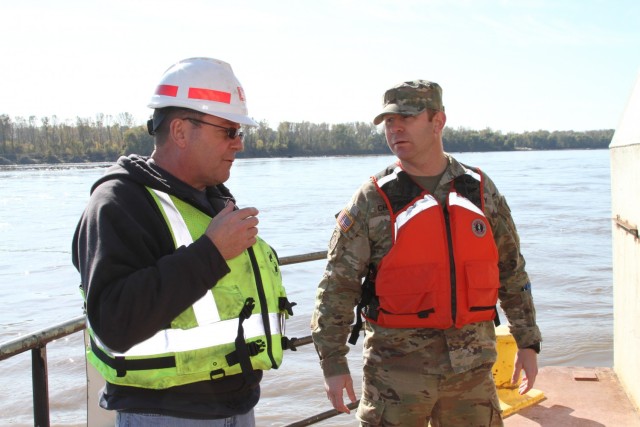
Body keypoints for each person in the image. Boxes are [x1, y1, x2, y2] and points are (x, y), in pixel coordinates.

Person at [72, 57, 294, 426]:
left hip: (235, 408)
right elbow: (114, 321)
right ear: (179, 131)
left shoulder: (207, 199)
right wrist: (211, 253)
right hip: (165, 414)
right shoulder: (118, 204)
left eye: (240, 132)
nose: (238, 144)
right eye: (228, 131)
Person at [311, 80, 542, 426]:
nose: (395, 128)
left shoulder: (479, 190)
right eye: (389, 121)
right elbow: (337, 285)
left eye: (406, 116)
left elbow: (511, 269)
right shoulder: (372, 199)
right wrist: (333, 361)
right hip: (394, 377)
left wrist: (527, 341)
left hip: (472, 374)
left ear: (438, 122)